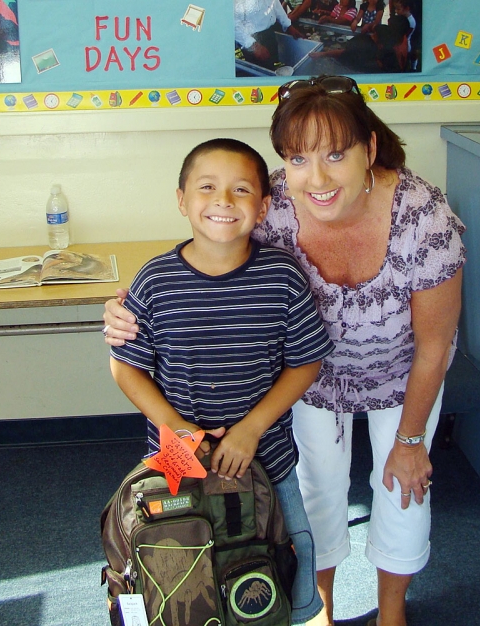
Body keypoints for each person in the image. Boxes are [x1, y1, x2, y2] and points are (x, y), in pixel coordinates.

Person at [103, 76, 466, 626]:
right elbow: (204, 251)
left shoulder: (424, 217)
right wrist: (125, 305)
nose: (315, 177)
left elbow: (434, 347)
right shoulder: (269, 201)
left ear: (370, 150)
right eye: (298, 158)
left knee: (401, 486)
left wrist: (411, 440)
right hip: (309, 379)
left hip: (400, 371)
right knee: (312, 494)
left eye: (336, 155)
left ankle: (393, 610)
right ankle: (316, 609)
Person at [108, 138, 334, 625]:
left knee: (282, 565)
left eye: (241, 189)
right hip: (176, 455)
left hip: (266, 456)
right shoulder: (156, 281)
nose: (223, 201)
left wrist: (252, 428)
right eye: (207, 187)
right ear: (181, 200)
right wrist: (174, 426)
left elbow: (305, 363)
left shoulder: (283, 278)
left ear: (264, 205)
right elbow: (126, 366)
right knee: (180, 573)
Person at [235, 0, 304, 71]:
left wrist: (289, 26)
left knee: (271, 67)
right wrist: (254, 46)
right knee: (259, 72)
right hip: (252, 40)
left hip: (269, 34)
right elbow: (234, 24)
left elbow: (275, 5)